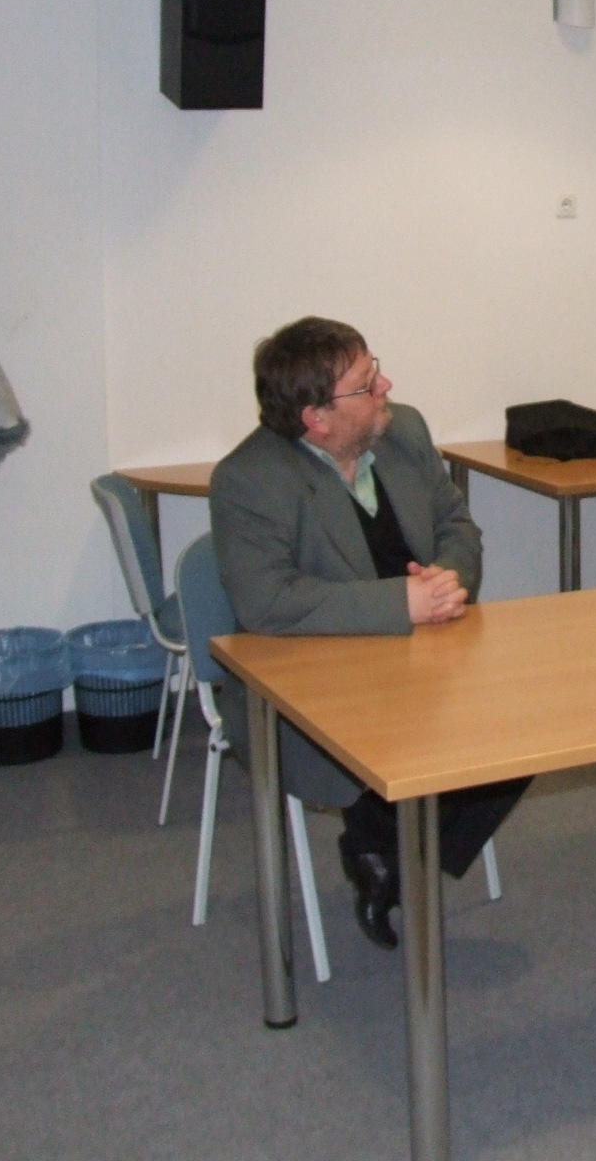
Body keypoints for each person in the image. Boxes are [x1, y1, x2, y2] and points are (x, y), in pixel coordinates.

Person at [210, 317, 527, 949]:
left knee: (523, 728)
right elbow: (266, 601)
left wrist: (449, 578)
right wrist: (400, 603)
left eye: (373, 368)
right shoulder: (249, 479)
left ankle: (381, 848)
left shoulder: (402, 431)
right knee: (408, 746)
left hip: (429, 658)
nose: (386, 386)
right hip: (315, 681)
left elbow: (456, 524)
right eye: (365, 383)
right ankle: (388, 843)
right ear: (316, 419)